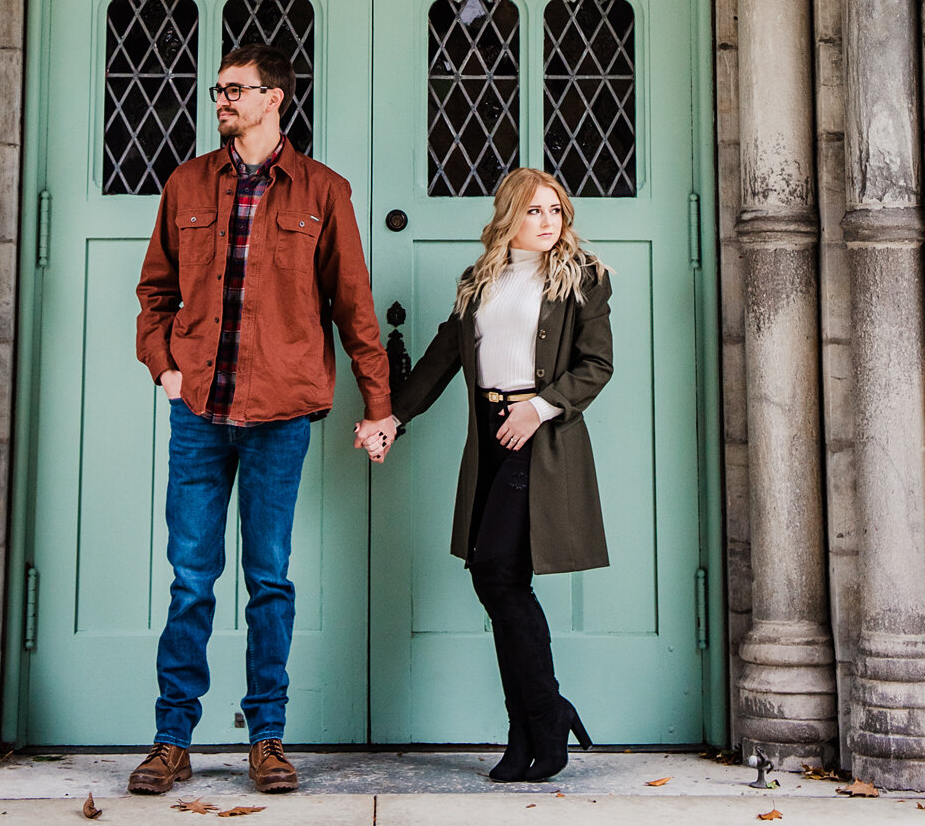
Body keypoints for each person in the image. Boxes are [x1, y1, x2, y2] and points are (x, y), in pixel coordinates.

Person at [130, 42, 396, 797]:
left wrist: (378, 407)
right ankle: (170, 739)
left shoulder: (322, 191)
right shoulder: (186, 185)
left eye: (237, 90)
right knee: (190, 578)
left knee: (267, 578)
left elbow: (354, 309)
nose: (222, 101)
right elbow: (154, 294)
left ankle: (267, 739)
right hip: (199, 412)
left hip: (281, 411)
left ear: (275, 99)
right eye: (218, 90)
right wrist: (167, 367)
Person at [359, 167, 612, 783]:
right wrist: (392, 418)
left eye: (556, 210)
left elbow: (596, 364)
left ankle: (542, 720)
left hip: (540, 435)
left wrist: (540, 407)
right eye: (534, 211)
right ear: (508, 217)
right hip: (492, 437)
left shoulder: (584, 279)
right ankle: (532, 724)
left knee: (498, 573)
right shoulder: (480, 281)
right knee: (500, 577)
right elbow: (443, 358)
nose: (549, 222)